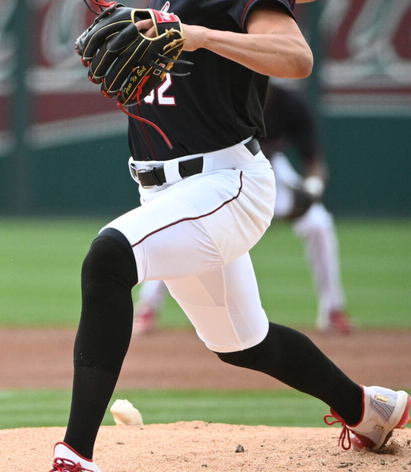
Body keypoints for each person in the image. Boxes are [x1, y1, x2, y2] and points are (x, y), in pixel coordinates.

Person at [22, 0, 411, 472]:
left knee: (106, 260)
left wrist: (197, 34)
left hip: (222, 185)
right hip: (178, 185)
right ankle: (368, 408)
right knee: (244, 342)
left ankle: (76, 464)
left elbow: (296, 56)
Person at [131, 82, 353, 337]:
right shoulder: (226, 92)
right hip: (221, 174)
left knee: (318, 223)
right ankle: (147, 308)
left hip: (268, 173)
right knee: (175, 226)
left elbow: (314, 161)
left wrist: (312, 189)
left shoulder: (290, 103)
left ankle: (333, 310)